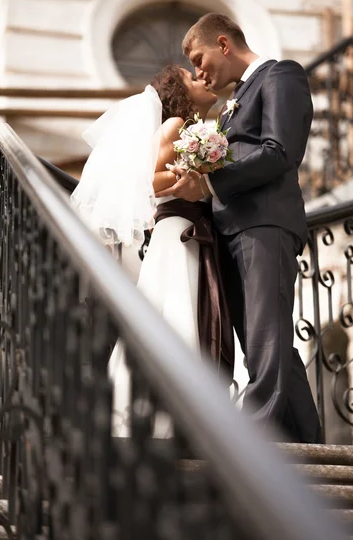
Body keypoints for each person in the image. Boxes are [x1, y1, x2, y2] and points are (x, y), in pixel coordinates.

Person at [156, 13, 323, 443]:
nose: (198, 70)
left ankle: (248, 437)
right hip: (230, 231)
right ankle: (311, 443)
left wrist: (210, 182)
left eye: (199, 57)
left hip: (262, 224)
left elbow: (280, 150)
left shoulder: (280, 75)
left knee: (265, 335)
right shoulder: (234, 101)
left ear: (224, 44)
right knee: (266, 344)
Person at [71, 65, 234, 437]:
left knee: (179, 314)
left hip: (188, 233)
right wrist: (194, 175)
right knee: (177, 317)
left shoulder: (191, 127)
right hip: (178, 232)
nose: (202, 78)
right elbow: (151, 179)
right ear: (179, 93)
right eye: (192, 78)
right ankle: (174, 417)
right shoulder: (175, 124)